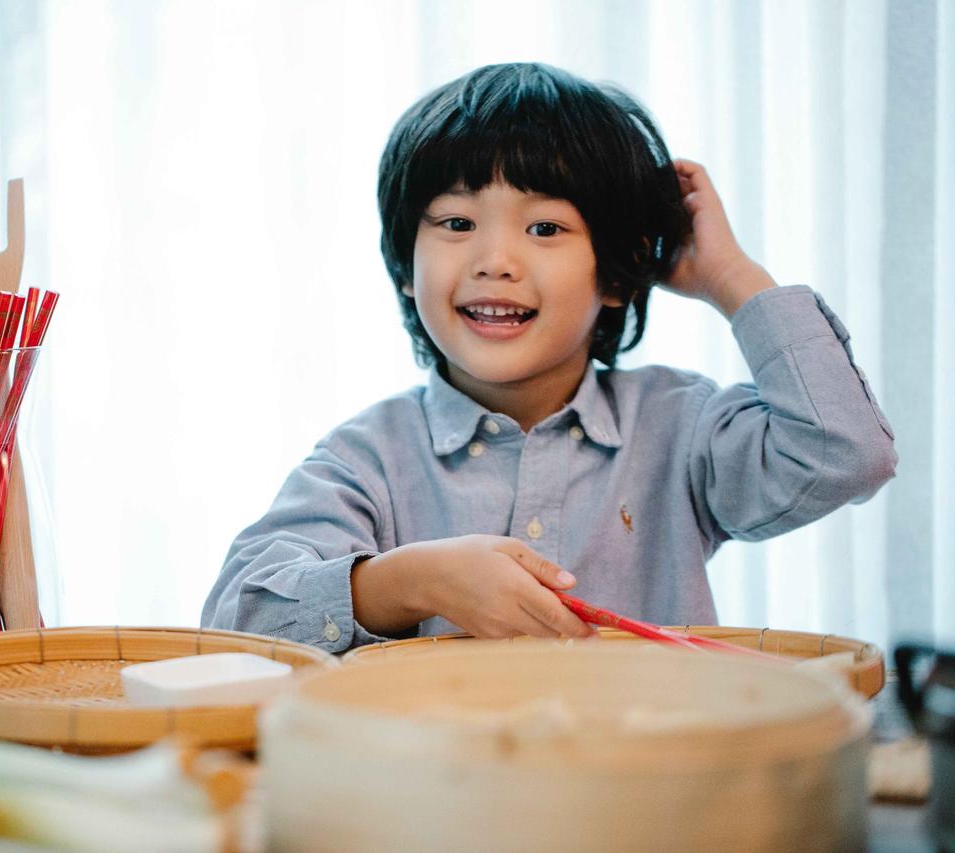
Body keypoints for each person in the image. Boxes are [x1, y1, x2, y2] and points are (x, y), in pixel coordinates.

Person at [200, 62, 897, 652]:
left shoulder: (681, 428)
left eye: (544, 227)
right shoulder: (368, 458)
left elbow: (847, 450)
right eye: (456, 223)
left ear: (619, 274)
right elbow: (237, 620)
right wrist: (409, 580)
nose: (494, 260)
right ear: (406, 268)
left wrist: (730, 276)